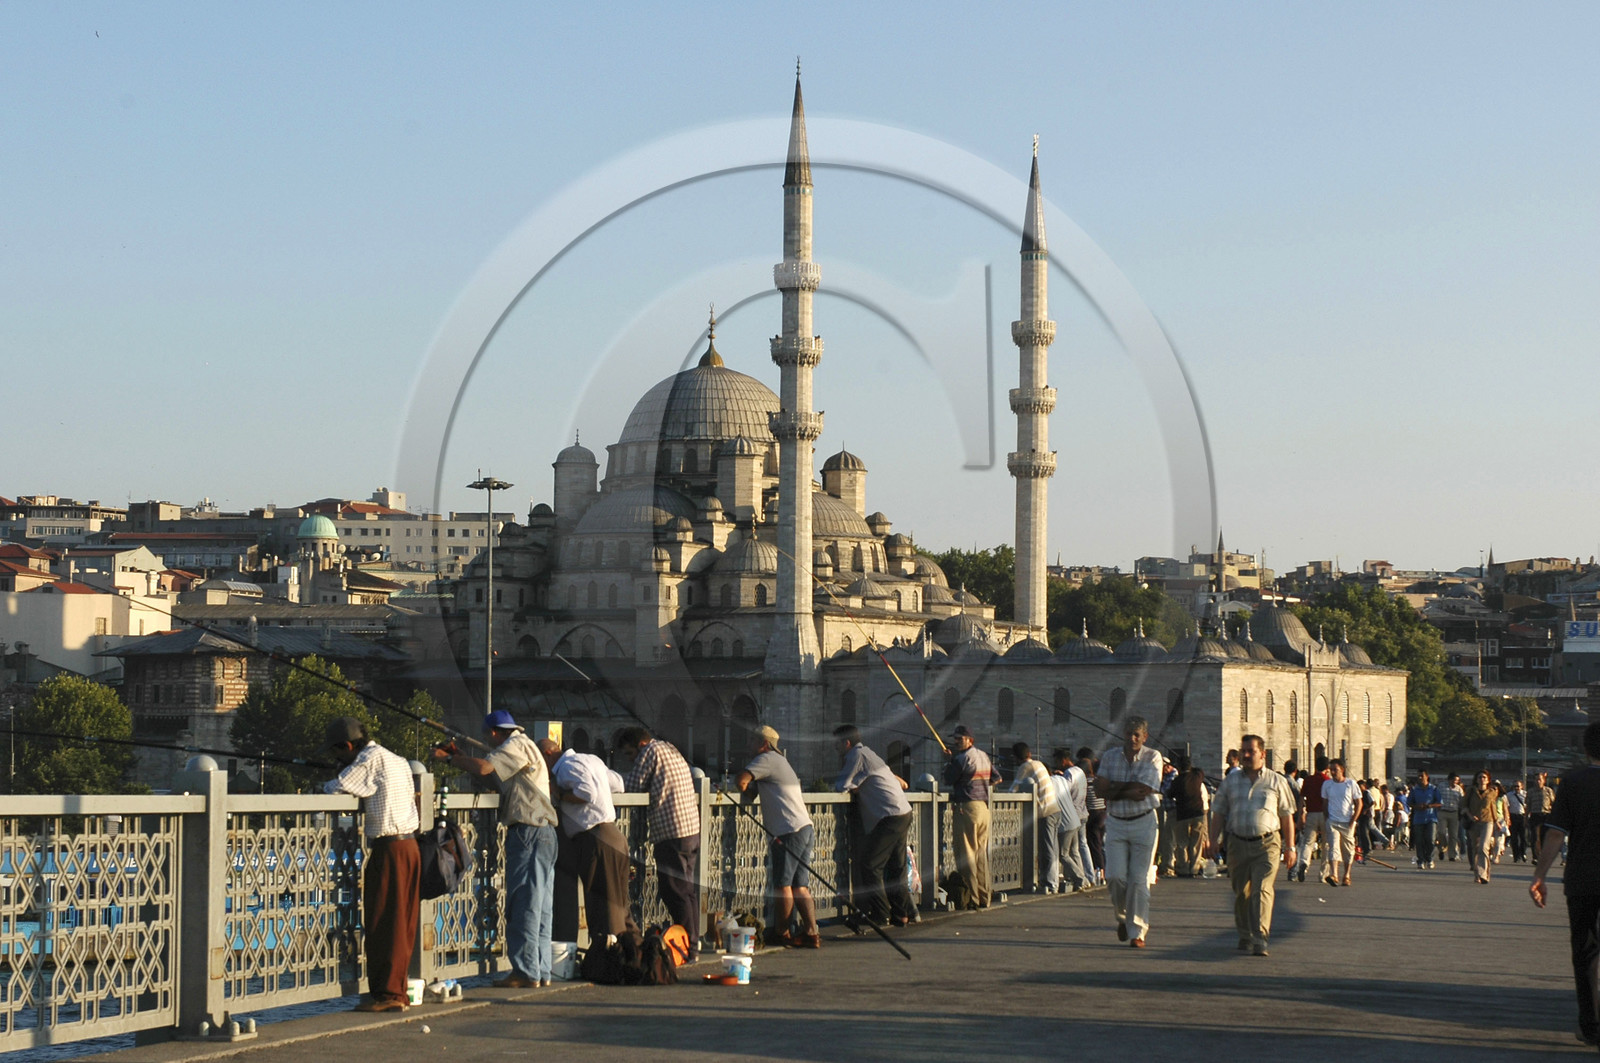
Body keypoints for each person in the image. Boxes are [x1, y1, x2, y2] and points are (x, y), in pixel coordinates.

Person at [435, 709, 559, 987]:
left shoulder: (513, 745)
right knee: (540, 906)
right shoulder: (526, 746)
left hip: (528, 831)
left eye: (486, 736)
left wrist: (450, 758)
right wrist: (461, 757)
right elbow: (492, 777)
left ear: (494, 732)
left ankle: (526, 972)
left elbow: (484, 768)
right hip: (545, 832)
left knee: (523, 903)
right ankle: (541, 971)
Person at [323, 716, 420, 1012]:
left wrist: (335, 775)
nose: (338, 759)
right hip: (410, 845)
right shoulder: (397, 759)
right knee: (402, 923)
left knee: (383, 921)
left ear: (349, 746)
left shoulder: (369, 760)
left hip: (390, 849)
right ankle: (397, 990)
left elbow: (334, 788)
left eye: (338, 753)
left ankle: (389, 995)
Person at [1530, 722, 1600, 1047]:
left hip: (1584, 879)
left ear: (1586, 749)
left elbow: (1556, 833)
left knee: (1585, 954)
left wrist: (1539, 876)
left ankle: (1590, 1026)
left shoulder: (1572, 783)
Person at [616, 725, 702, 958]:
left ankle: (688, 947)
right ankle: (694, 941)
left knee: (673, 890)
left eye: (629, 753)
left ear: (640, 745)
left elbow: (633, 786)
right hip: (691, 829)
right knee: (688, 891)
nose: (631, 759)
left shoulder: (649, 752)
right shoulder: (670, 748)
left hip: (671, 830)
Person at [539, 738, 633, 950]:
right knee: (617, 903)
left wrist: (561, 794)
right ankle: (626, 953)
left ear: (547, 754)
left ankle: (608, 958)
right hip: (614, 835)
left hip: (595, 839)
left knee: (601, 904)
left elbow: (586, 793)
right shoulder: (591, 760)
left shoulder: (565, 768)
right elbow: (618, 783)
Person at [1207, 734, 1295, 956]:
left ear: (1262, 754)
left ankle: (1261, 937)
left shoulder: (1277, 781)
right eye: (1243, 751)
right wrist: (1213, 839)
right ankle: (1245, 934)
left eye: (1251, 751)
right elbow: (1218, 812)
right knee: (1242, 893)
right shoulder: (1231, 781)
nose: (1245, 755)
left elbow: (1286, 816)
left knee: (1263, 889)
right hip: (1237, 843)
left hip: (1267, 844)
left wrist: (1291, 847)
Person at [737, 725, 820, 947]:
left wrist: (743, 791)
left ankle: (782, 932)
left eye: (753, 740)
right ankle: (812, 933)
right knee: (800, 886)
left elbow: (742, 780)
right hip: (805, 827)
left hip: (788, 830)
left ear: (764, 744)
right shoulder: (781, 761)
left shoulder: (765, 759)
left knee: (783, 885)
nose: (749, 744)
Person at [834, 725, 916, 926]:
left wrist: (855, 788)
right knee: (896, 867)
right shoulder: (870, 753)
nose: (835, 748)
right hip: (903, 812)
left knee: (870, 864)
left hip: (890, 816)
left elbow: (842, 785)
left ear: (846, 743)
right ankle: (900, 913)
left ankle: (881, 913)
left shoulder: (856, 755)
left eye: (837, 743)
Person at [1094, 716, 1163, 947]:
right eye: (1129, 733)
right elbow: (1100, 789)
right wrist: (1125, 789)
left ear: (1145, 736)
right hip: (1116, 821)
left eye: (1137, 734)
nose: (1132, 738)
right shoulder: (1110, 756)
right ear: (1123, 734)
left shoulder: (1153, 757)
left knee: (1138, 879)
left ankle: (1137, 932)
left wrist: (1114, 788)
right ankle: (1122, 917)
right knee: (1115, 876)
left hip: (1143, 822)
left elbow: (1142, 791)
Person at [942, 724, 994, 910]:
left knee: (967, 855)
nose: (956, 742)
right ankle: (984, 896)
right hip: (984, 809)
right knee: (981, 855)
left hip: (967, 808)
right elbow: (996, 778)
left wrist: (949, 760)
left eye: (959, 739)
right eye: (955, 739)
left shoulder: (962, 759)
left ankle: (972, 898)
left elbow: (948, 778)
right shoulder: (984, 756)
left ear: (969, 740)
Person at [1011, 742, 1064, 892]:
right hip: (1055, 809)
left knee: (1046, 849)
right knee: (1052, 848)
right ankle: (1053, 882)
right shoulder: (1039, 763)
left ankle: (1049, 884)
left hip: (1045, 812)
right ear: (1029, 753)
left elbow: (1013, 789)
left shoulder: (1025, 767)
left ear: (1016, 757)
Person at [1047, 749, 1092, 891]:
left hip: (1071, 815)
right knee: (1076, 850)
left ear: (1062, 760)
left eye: (1057, 761)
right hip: (1081, 813)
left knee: (1065, 853)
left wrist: (1058, 778)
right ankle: (1085, 877)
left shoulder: (1068, 774)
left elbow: (1064, 791)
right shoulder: (1080, 771)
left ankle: (1081, 878)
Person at [1322, 759, 1360, 887]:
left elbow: (1359, 803)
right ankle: (1334, 874)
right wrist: (1327, 818)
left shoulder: (1351, 784)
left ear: (1342, 770)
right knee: (1333, 847)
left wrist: (1353, 820)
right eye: (1331, 770)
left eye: (1335, 770)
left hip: (1347, 822)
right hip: (1333, 821)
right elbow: (1325, 803)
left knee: (1348, 850)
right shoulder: (1327, 784)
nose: (1332, 772)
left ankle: (1347, 874)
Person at [1294, 755, 1331, 884]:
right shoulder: (1327, 781)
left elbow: (1301, 798)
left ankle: (1303, 864)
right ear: (1327, 768)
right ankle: (1323, 874)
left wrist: (1300, 816)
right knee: (1326, 844)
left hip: (1311, 813)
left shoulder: (1308, 780)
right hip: (1325, 815)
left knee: (1307, 842)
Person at [1171, 760, 1210, 877]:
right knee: (1196, 842)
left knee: (1182, 842)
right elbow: (1199, 770)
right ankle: (1194, 868)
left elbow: (1170, 794)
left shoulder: (1177, 781)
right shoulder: (1197, 776)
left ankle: (1183, 868)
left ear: (1179, 768)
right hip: (1198, 813)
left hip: (1182, 814)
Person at [1078, 746, 1107, 881]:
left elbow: (1083, 801)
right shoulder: (1096, 780)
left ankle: (1099, 873)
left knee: (1094, 845)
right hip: (1103, 814)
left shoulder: (1085, 783)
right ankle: (1104, 871)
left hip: (1093, 815)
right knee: (1100, 844)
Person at [1463, 769, 1496, 884]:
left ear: (1488, 780)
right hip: (1474, 822)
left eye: (1484, 777)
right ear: (1476, 780)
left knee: (1483, 847)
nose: (1482, 779)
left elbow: (1493, 807)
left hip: (1488, 821)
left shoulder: (1492, 791)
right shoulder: (1470, 791)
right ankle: (1477, 874)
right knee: (1475, 848)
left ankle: (1484, 874)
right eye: (1480, 777)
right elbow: (1464, 806)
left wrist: (1498, 822)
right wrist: (1470, 816)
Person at [1408, 771, 1442, 869]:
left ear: (1427, 777)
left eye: (1421, 776)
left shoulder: (1434, 789)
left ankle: (1430, 858)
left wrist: (1429, 806)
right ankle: (1421, 860)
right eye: (1418, 776)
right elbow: (1409, 802)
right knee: (1419, 840)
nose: (1419, 778)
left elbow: (1439, 803)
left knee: (1430, 839)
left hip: (1431, 817)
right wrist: (1416, 806)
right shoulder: (1414, 790)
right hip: (1418, 818)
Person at [1155, 760, 1180, 877]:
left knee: (1169, 840)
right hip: (1171, 811)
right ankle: (1172, 865)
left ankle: (1169, 867)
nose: (1163, 769)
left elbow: (1166, 791)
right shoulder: (1168, 777)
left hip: (1174, 811)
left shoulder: (1172, 777)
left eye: (1165, 766)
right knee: (1170, 839)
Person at [1529, 770, 1555, 861]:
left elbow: (1553, 803)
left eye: (1540, 779)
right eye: (1536, 779)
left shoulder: (1548, 791)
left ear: (1543, 780)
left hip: (1546, 815)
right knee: (1535, 837)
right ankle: (1535, 856)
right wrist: (1525, 818)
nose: (1538, 781)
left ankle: (1543, 856)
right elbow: (1528, 805)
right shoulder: (1531, 792)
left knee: (1544, 837)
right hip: (1535, 815)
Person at [1439, 773, 1464, 862]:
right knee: (1441, 832)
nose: (1455, 782)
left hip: (1454, 812)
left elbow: (1462, 801)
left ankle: (1452, 855)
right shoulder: (1441, 786)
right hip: (1442, 811)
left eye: (1457, 781)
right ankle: (1443, 847)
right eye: (1453, 780)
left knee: (1453, 835)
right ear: (1449, 779)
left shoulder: (1459, 789)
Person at [1508, 779, 1529, 863]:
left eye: (1518, 786)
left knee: (1524, 837)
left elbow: (1528, 806)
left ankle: (1523, 852)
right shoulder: (1509, 795)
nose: (1516, 788)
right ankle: (1516, 855)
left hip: (1522, 816)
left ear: (1522, 786)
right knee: (1514, 838)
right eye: (1515, 786)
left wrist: (1527, 816)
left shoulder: (1525, 795)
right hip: (1513, 816)